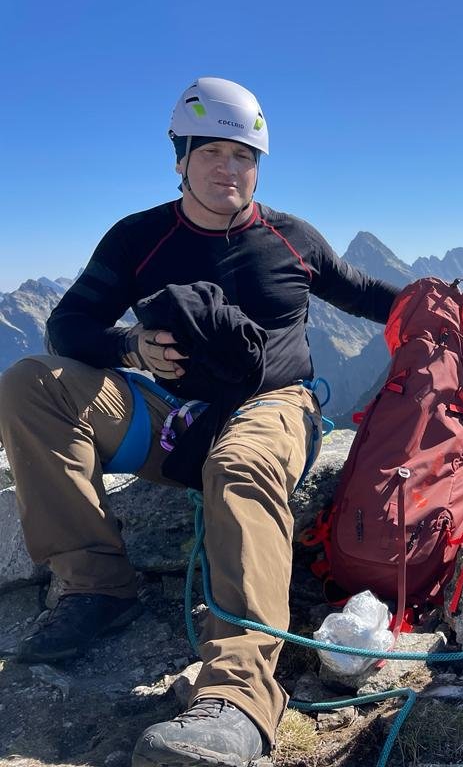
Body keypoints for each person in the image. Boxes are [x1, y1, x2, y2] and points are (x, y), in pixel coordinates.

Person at [0, 77, 399, 766]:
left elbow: (366, 294)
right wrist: (130, 347)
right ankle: (97, 586)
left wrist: (443, 313)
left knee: (238, 462)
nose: (229, 169)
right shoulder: (138, 238)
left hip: (275, 404)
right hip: (169, 410)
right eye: (212, 152)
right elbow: (68, 325)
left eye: (244, 156)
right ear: (179, 158)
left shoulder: (292, 238)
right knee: (30, 383)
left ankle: (240, 695)